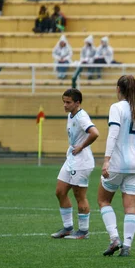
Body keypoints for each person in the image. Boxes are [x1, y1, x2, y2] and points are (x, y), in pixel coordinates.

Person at [100, 75, 135, 258]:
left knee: (104, 200)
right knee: (130, 206)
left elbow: (113, 134)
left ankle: (114, 239)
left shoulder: (116, 107)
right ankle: (127, 246)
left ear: (119, 89)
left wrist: (106, 160)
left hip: (118, 162)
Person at [50, 88, 99, 240]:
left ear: (77, 103)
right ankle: (68, 228)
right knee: (60, 191)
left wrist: (81, 146)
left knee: (79, 196)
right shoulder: (72, 115)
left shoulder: (81, 117)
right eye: (64, 102)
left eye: (68, 102)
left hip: (82, 161)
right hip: (72, 159)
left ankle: (83, 232)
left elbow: (95, 133)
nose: (65, 105)